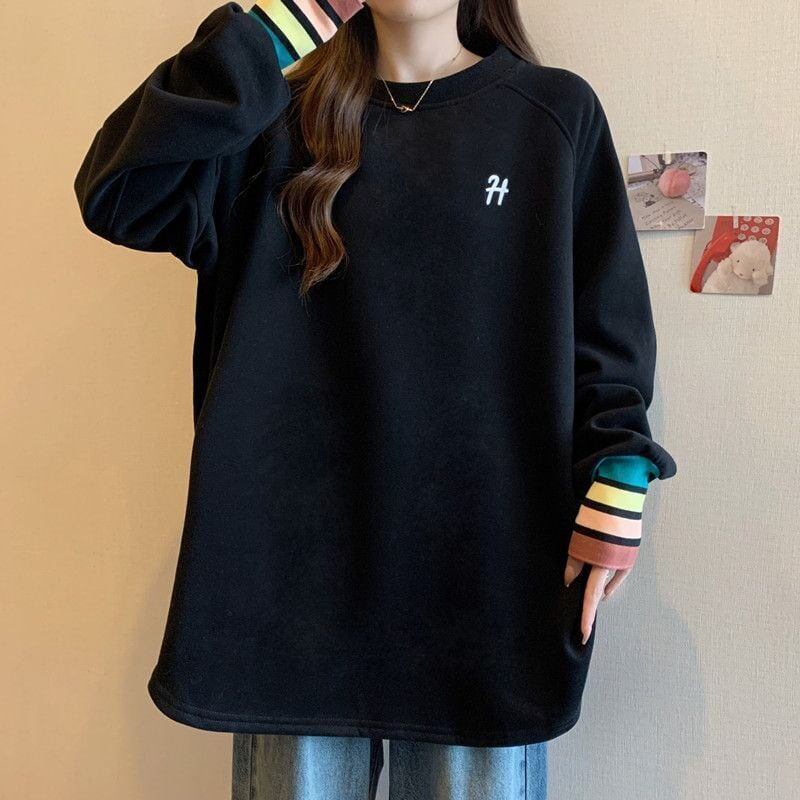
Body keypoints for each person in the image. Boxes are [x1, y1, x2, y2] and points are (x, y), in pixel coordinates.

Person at [73, 1, 677, 797]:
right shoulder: (271, 119)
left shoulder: (551, 115)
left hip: (483, 568)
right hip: (291, 581)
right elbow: (119, 191)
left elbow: (606, 325)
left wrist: (619, 479)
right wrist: (262, 39)